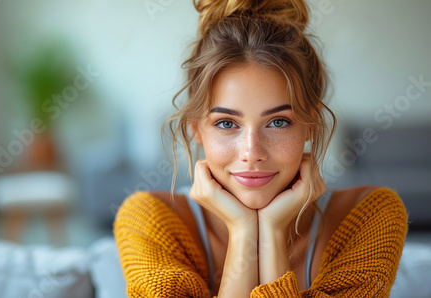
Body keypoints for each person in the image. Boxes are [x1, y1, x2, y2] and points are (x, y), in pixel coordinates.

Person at [113, 0, 408, 297]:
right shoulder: (149, 220)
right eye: (227, 123)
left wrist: (272, 233)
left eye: (278, 122)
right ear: (195, 127)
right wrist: (243, 232)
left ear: (311, 124)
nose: (252, 152)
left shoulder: (369, 216)